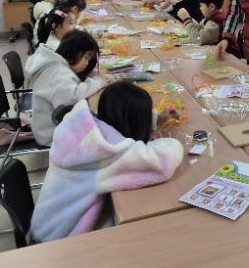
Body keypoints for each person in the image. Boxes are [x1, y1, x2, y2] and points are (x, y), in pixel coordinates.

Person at [30, 81, 183, 242]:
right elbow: (164, 160)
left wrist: (155, 118)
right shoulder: (107, 151)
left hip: (45, 223)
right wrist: (172, 140)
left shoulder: (86, 129)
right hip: (58, 240)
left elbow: (119, 118)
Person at [24, 30, 106, 146]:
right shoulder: (58, 73)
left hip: (50, 127)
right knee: (106, 126)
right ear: (73, 52)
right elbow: (73, 98)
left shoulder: (55, 65)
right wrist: (97, 81)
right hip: (52, 135)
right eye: (86, 57)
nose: (87, 63)